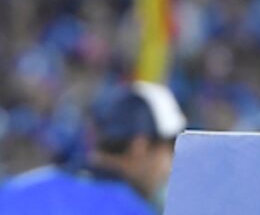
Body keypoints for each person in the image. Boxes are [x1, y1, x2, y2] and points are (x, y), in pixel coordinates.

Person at [0, 81, 187, 215]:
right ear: (141, 146)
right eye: (170, 150)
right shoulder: (133, 210)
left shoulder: (18, 189)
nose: (169, 168)